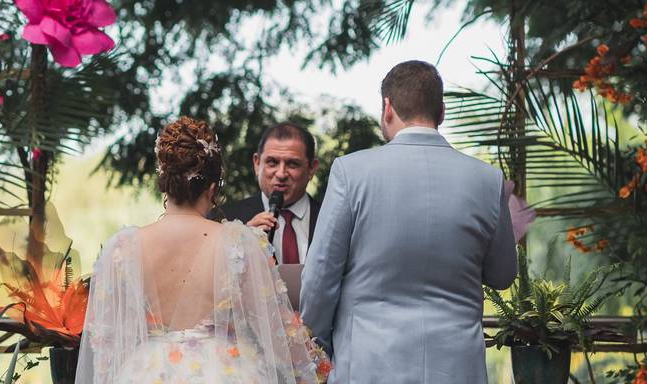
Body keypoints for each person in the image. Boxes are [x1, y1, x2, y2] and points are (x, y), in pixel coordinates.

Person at [301, 61, 518, 383]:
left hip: (368, 364)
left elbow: (320, 277)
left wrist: (315, 347)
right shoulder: (487, 180)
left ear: (387, 107)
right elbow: (502, 275)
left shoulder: (352, 172)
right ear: (441, 111)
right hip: (457, 368)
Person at [75, 116, 323, 384]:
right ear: (213, 187)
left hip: (145, 373)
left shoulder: (121, 247)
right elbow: (280, 337)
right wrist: (315, 370)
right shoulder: (239, 243)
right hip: (226, 372)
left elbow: (105, 347)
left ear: (164, 183)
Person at [215, 123, 320, 264]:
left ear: (311, 168)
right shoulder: (223, 219)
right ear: (257, 164)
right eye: (272, 162)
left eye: (292, 164)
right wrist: (242, 242)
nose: (281, 174)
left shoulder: (331, 218)